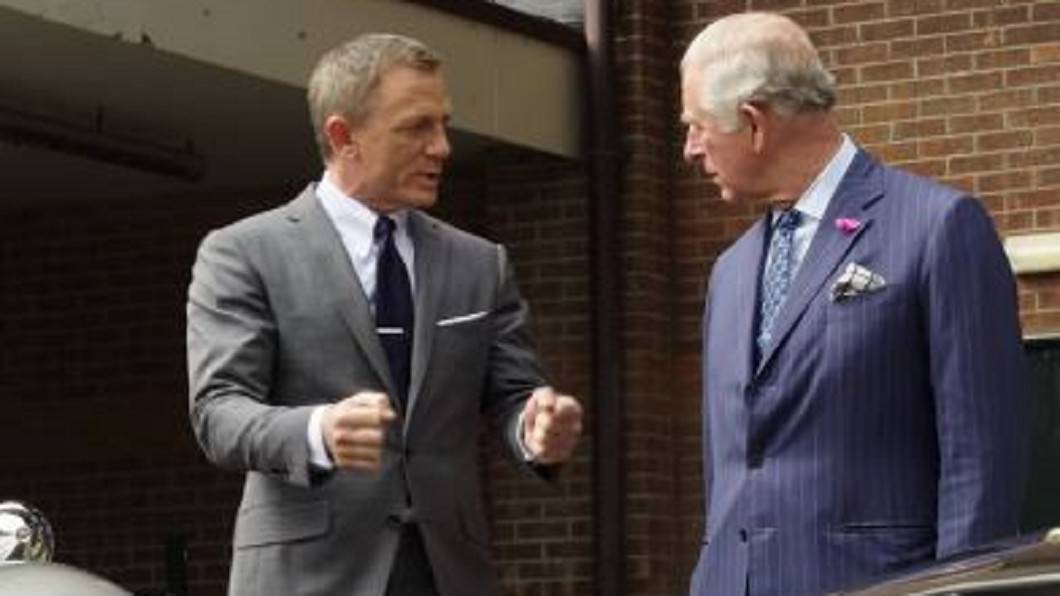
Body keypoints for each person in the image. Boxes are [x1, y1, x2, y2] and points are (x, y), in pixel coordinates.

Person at [186, 33, 582, 596]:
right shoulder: (245, 253)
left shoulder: (480, 264)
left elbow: (515, 394)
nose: (442, 147)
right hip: (308, 577)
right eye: (417, 127)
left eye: (443, 124)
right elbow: (219, 412)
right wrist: (319, 430)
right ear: (343, 136)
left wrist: (536, 430)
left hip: (447, 573)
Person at [680, 12, 1027, 596]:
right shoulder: (729, 272)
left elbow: (981, 459)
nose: (690, 149)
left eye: (696, 126)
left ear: (754, 123)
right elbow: (730, 472)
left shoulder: (937, 228)